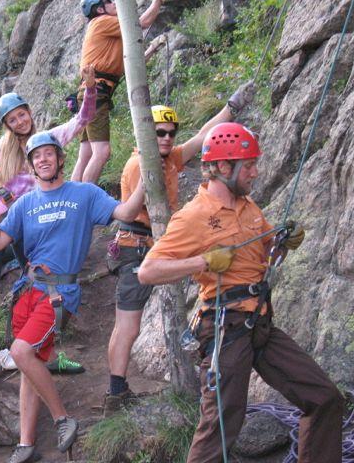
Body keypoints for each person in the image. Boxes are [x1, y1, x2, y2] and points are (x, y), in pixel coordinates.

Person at [138, 123, 343, 463]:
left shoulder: (248, 207)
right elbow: (148, 271)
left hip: (259, 323)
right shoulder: (194, 216)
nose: (255, 171)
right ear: (222, 167)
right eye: (248, 165)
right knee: (219, 428)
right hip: (225, 328)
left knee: (324, 398)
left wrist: (282, 242)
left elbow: (265, 254)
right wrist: (204, 260)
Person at [0, 132, 145, 463]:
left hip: (59, 292)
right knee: (30, 363)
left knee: (20, 351)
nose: (43, 160)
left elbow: (125, 213)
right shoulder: (25, 203)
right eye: (37, 156)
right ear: (31, 165)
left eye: (49, 154)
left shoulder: (83, 194)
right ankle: (26, 442)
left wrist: (145, 180)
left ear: (60, 158)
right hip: (27, 291)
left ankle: (62, 417)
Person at [104, 83, 256, 413]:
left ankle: (185, 337)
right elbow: (136, 206)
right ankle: (115, 391)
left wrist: (231, 107)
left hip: (153, 241)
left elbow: (202, 138)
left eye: (171, 133)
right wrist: (149, 174)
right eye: (160, 133)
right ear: (146, 134)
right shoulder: (138, 164)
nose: (167, 138)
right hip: (137, 245)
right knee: (128, 323)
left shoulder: (167, 157)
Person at [0, 65, 99, 374]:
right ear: (6, 125)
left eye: (21, 115)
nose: (19, 121)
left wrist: (89, 89)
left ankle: (49, 353)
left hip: (37, 227)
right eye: (12, 120)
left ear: (29, 111)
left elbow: (83, 119)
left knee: (46, 283)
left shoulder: (47, 140)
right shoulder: (2, 148)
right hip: (4, 225)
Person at [70, 0, 171, 184]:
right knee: (101, 152)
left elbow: (127, 67)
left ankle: (69, 201)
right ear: (99, 9)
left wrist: (151, 48)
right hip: (96, 92)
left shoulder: (106, 29)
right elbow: (142, 22)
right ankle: (83, 198)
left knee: (87, 153)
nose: (114, 3)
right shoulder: (103, 22)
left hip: (90, 92)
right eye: (109, 1)